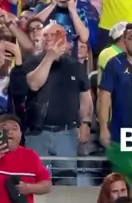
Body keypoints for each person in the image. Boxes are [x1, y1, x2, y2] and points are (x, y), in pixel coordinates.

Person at [23, 23, 93, 185]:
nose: (49, 38)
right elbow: (34, 84)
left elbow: (85, 97)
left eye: (54, 34)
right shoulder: (32, 62)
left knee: (67, 182)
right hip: (38, 133)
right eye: (45, 35)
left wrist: (86, 122)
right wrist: (49, 57)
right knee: (35, 181)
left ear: (64, 38)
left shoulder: (75, 66)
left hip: (67, 133)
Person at [0, 112, 52, 203]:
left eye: (14, 128)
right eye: (4, 128)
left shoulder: (30, 156)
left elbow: (47, 185)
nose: (10, 132)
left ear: (21, 134)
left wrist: (29, 188)